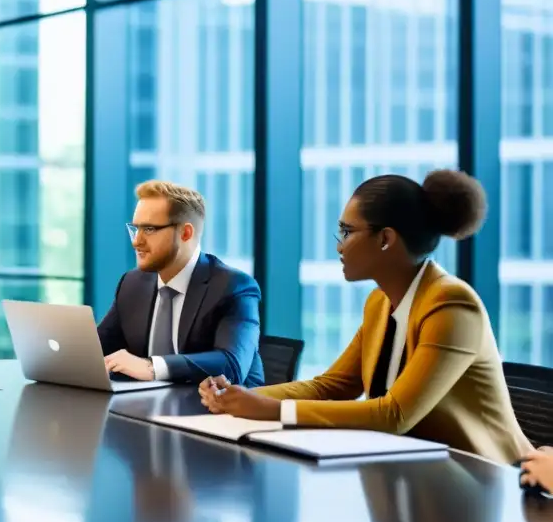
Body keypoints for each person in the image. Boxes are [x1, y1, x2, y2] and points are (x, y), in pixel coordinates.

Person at [200, 170, 532, 464]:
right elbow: (333, 386)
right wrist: (239, 396)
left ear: (385, 239)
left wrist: (273, 409)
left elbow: (394, 414)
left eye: (347, 231)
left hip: (485, 480)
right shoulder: (380, 302)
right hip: (410, 468)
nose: (339, 247)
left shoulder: (452, 305)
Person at [97, 180, 264, 386]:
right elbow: (97, 349)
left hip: (216, 412)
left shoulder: (233, 287)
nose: (136, 241)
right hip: (147, 406)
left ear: (186, 233)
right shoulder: (133, 284)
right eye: (135, 229)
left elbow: (231, 365)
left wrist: (151, 367)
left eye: (149, 229)